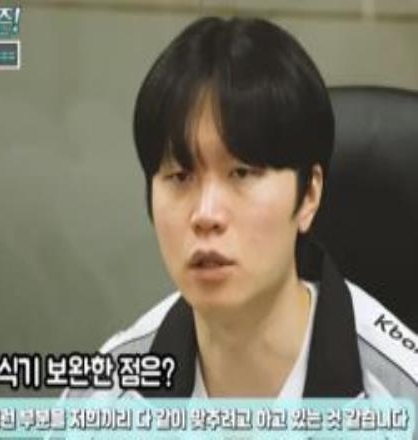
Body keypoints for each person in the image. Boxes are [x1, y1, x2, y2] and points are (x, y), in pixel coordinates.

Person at [66, 16, 417, 404]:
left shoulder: (400, 393)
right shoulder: (103, 393)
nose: (206, 215)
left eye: (241, 173)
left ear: (309, 194)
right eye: (180, 176)